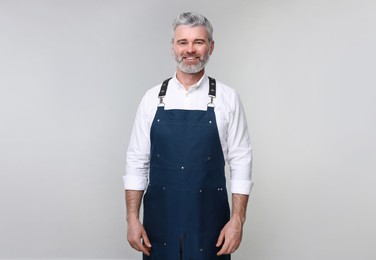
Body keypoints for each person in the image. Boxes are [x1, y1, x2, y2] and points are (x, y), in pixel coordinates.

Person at [124, 12, 253, 260]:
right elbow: (136, 161)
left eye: (198, 42)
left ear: (211, 47)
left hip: (210, 223)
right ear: (173, 46)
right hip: (160, 222)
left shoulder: (228, 98)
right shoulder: (151, 99)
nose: (190, 50)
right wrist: (132, 218)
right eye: (183, 42)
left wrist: (237, 221)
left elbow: (241, 161)